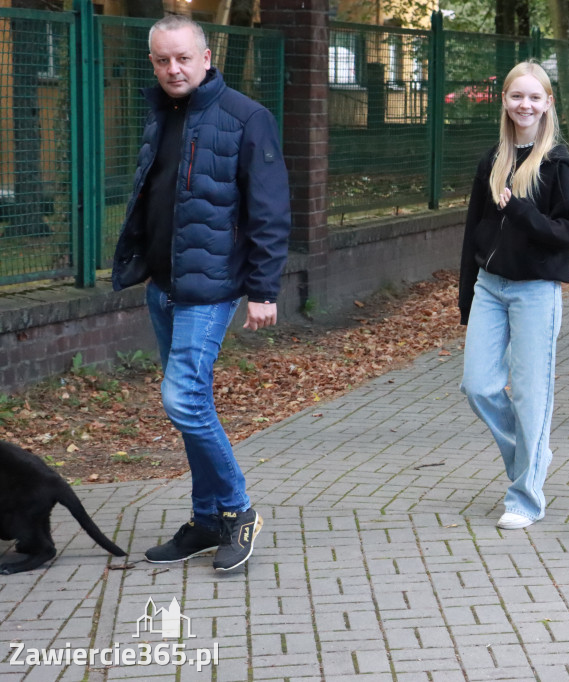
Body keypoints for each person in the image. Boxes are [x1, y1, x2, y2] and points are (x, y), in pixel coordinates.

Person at [111, 15, 290, 572]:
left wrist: (262, 288)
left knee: (182, 399)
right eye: (163, 60)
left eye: (184, 58)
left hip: (210, 289)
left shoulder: (246, 118)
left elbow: (269, 209)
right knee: (193, 407)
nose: (174, 68)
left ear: (207, 57)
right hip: (164, 286)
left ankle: (238, 510)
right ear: (153, 63)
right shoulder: (160, 113)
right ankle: (208, 518)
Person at [458, 61, 569, 531]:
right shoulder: (492, 159)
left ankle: (526, 497)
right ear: (505, 101)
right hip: (490, 287)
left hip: (536, 291)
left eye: (534, 97)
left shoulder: (559, 164)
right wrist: (466, 297)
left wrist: (527, 212)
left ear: (548, 103)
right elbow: (473, 229)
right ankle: (533, 457)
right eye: (517, 96)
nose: (524, 105)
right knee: (478, 385)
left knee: (532, 395)